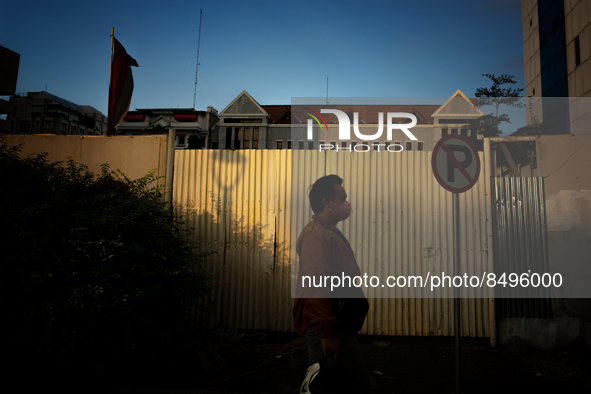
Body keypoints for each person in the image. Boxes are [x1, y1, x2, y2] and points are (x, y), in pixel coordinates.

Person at [293, 174, 369, 394]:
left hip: (338, 323)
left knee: (346, 382)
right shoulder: (316, 235)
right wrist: (327, 333)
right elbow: (317, 285)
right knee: (335, 384)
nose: (347, 203)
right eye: (342, 197)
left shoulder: (329, 232)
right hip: (325, 327)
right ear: (327, 202)